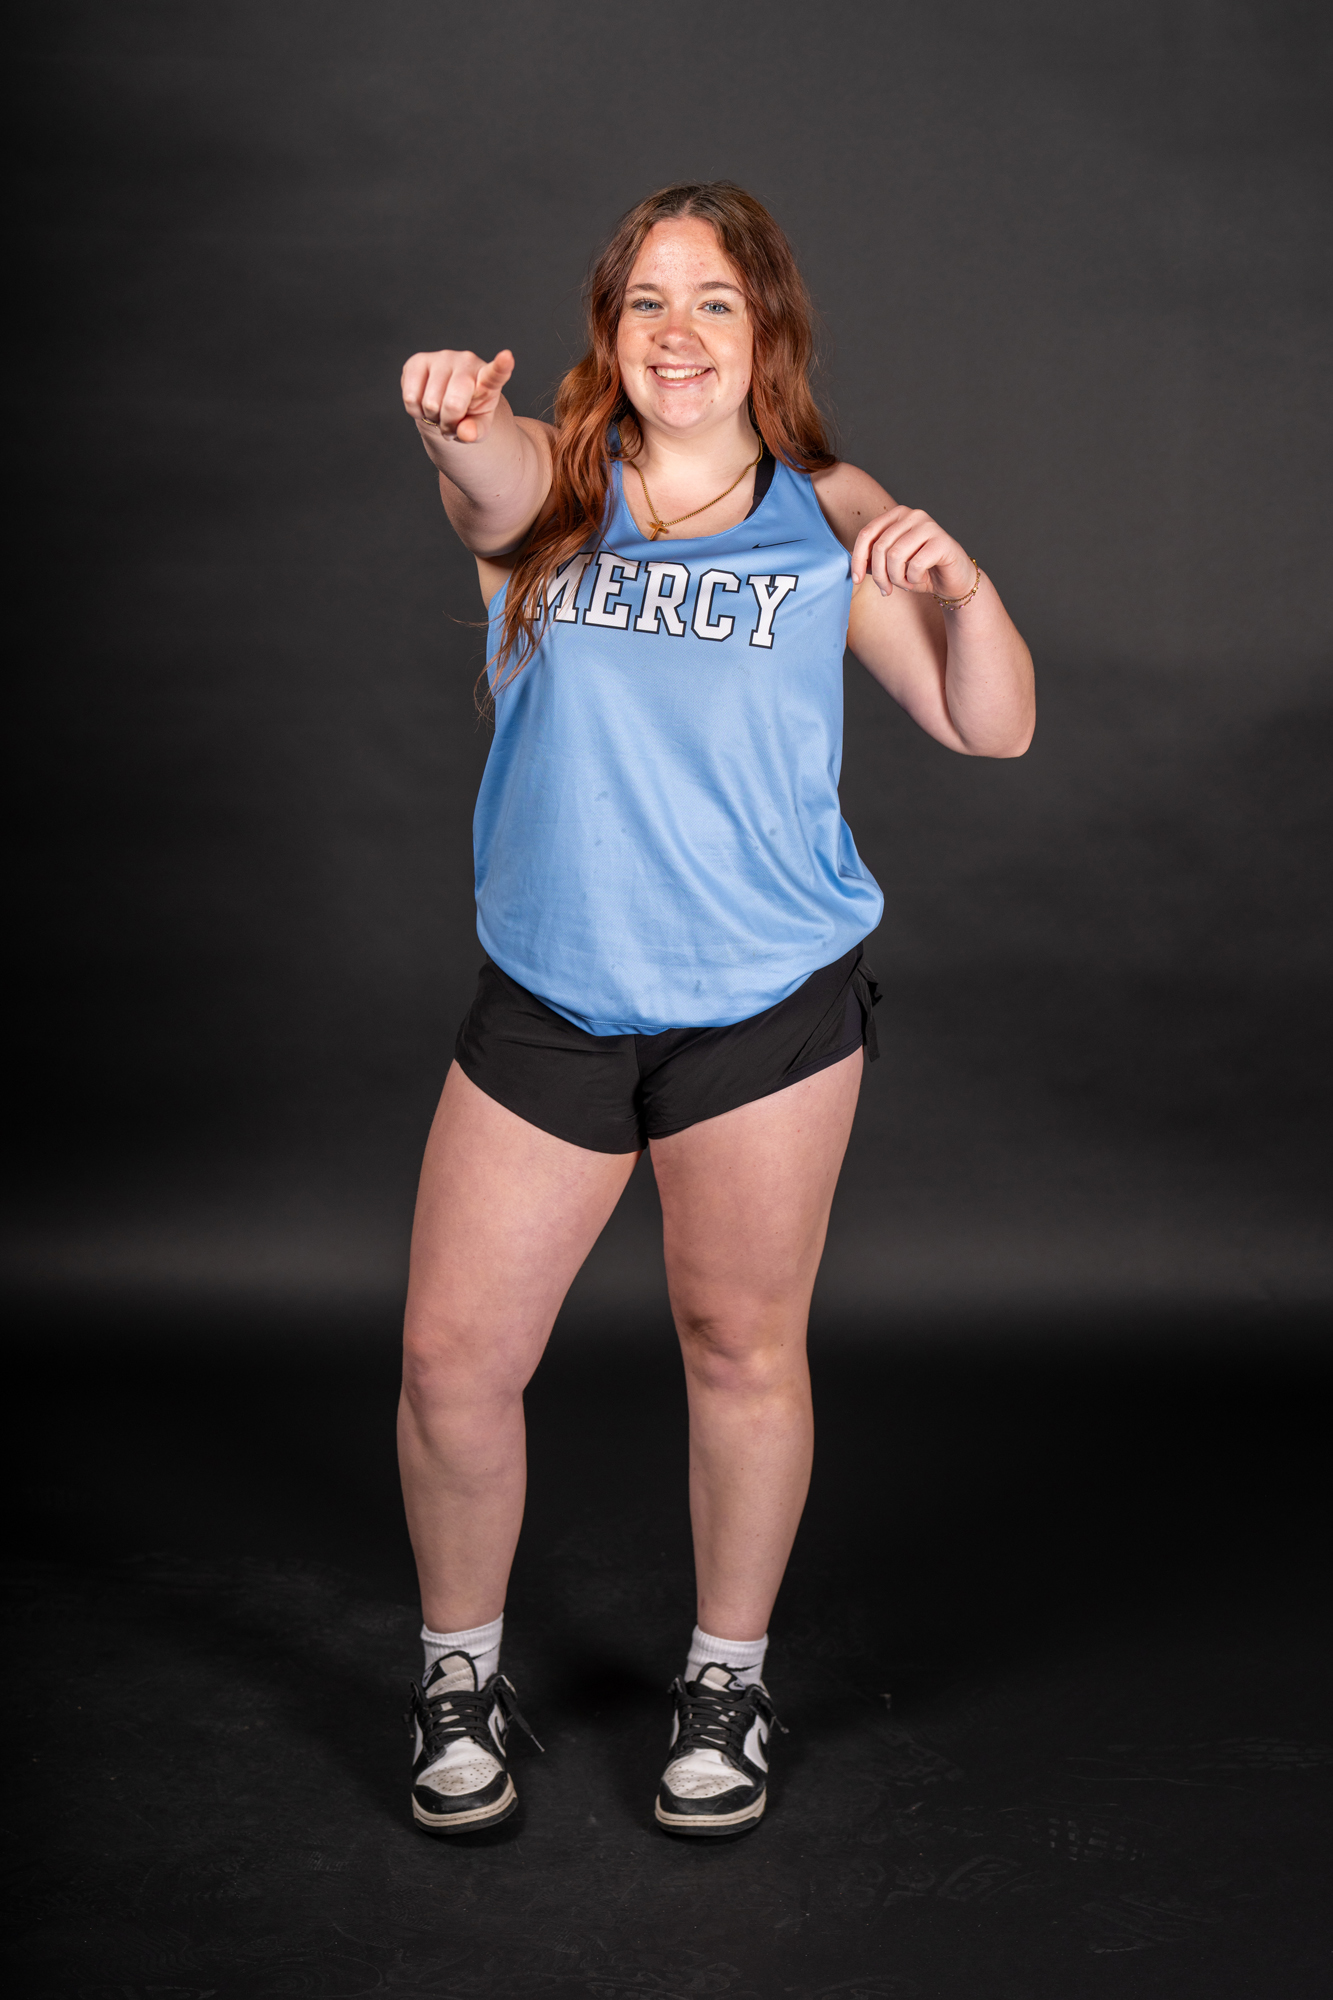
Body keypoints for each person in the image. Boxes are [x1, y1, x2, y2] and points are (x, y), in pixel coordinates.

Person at [397, 181, 1033, 1840]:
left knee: (740, 1349)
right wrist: (451, 422)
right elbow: (484, 480)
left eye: (715, 303)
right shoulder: (554, 488)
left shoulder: (826, 513)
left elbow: (989, 727)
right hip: (554, 997)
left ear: (766, 332)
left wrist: (966, 588)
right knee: (452, 1360)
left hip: (762, 1006)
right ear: (608, 331)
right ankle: (458, 1675)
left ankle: (726, 1683)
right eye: (647, 303)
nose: (677, 334)